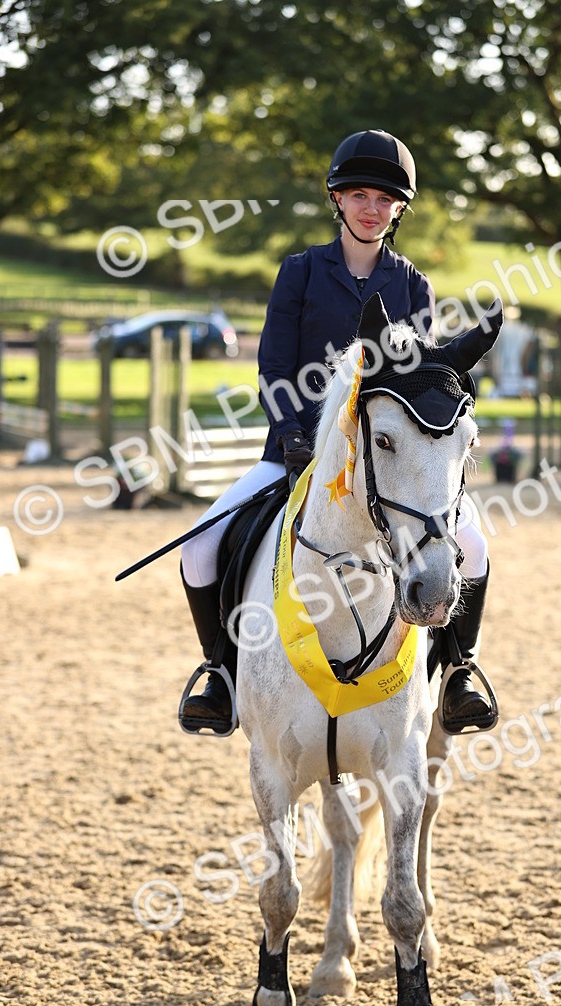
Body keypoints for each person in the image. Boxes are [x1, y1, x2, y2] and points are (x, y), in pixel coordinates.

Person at [179, 128, 496, 736]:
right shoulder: (300, 273)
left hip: (388, 464)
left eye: (384, 199)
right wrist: (292, 436)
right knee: (199, 547)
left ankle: (459, 672)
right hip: (295, 454)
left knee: (475, 549)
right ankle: (219, 673)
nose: (371, 209)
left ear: (398, 209)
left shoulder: (412, 286)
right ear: (338, 199)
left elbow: (419, 380)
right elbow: (274, 366)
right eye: (359, 196)